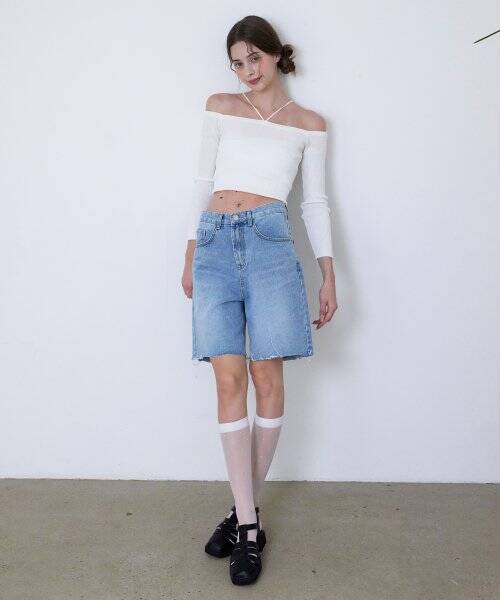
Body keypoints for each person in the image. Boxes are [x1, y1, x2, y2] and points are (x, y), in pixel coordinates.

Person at [181, 15, 338, 585]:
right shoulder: (221, 106)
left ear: (276, 55)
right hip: (216, 244)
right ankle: (249, 523)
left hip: (271, 244)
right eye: (238, 63)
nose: (247, 71)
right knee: (228, 380)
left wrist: (328, 273)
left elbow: (314, 203)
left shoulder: (309, 124)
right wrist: (191, 252)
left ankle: (241, 516)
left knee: (266, 376)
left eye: (255, 58)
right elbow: (202, 182)